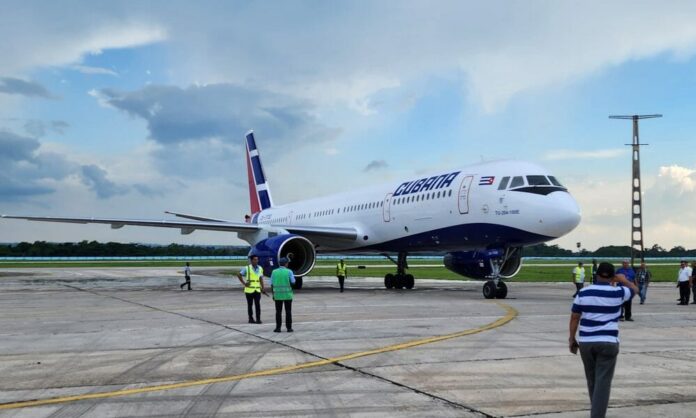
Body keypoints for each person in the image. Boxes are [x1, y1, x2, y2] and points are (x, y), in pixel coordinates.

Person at [569, 262, 638, 418]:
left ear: (596, 275)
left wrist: (571, 339)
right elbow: (635, 290)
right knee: (603, 382)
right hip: (608, 341)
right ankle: (597, 415)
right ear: (612, 276)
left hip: (587, 341)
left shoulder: (583, 293)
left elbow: (574, 317)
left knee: (592, 380)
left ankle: (596, 412)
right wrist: (623, 280)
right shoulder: (619, 292)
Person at [237, 255, 267, 323]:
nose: (256, 261)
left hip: (257, 289)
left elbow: (261, 278)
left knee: (257, 305)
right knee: (250, 305)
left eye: (257, 259)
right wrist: (244, 283)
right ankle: (250, 319)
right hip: (249, 290)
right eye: (254, 259)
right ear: (251, 260)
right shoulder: (247, 268)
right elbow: (239, 275)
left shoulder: (260, 268)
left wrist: (263, 288)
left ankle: (258, 319)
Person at [271, 257, 295, 332]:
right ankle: (289, 328)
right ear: (286, 264)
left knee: (278, 312)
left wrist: (273, 294)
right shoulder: (289, 271)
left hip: (277, 295)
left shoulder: (274, 272)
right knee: (288, 312)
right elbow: (293, 282)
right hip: (287, 295)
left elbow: (271, 284)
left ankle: (278, 328)